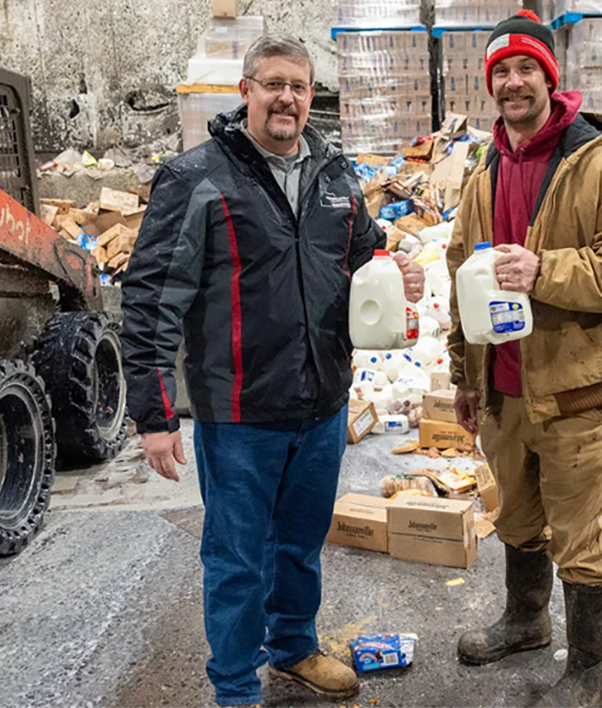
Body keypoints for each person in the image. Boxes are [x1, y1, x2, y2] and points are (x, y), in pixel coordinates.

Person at [120, 35, 424, 708]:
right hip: (239, 412)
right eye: (273, 83)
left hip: (321, 401)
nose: (287, 97)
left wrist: (399, 267)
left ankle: (293, 647)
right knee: (235, 560)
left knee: (300, 543)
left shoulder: (336, 175)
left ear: (312, 96)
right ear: (247, 92)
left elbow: (366, 253)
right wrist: (154, 411)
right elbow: (152, 297)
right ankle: (233, 688)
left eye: (300, 85)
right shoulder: (196, 176)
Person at [445, 11, 602, 708]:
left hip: (572, 389)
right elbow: (459, 275)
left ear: (549, 77)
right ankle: (526, 620)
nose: (512, 83)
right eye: (500, 72)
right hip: (503, 387)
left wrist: (544, 271)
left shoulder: (599, 165)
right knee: (516, 517)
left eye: (525, 69)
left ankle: (587, 674)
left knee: (580, 537)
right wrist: (462, 375)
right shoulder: (484, 169)